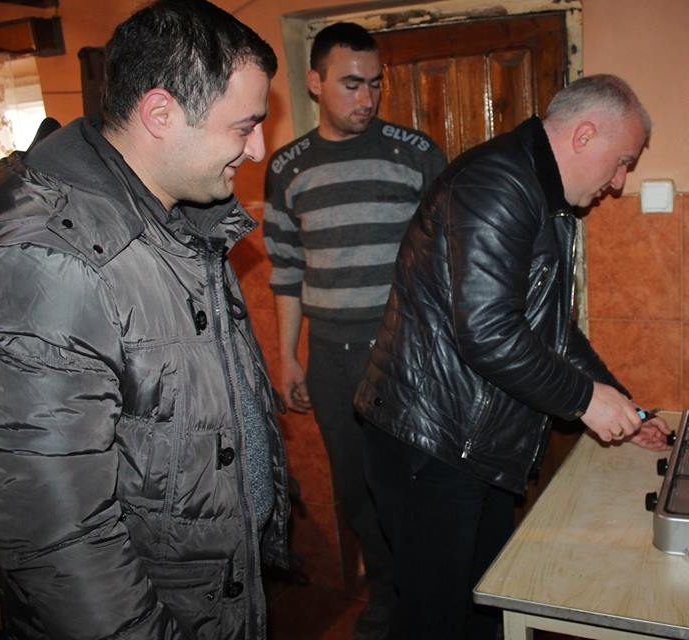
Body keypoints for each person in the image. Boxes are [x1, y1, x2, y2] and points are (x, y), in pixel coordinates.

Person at [0, 2, 289, 638]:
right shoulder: (52, 261)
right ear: (160, 114)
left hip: (212, 596)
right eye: (245, 127)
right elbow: (56, 542)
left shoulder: (179, 214)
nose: (258, 149)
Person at [353, 74, 673, 639]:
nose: (620, 182)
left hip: (471, 443)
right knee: (434, 620)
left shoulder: (540, 193)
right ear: (584, 135)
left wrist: (626, 407)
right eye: (623, 162)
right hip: (430, 443)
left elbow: (551, 331)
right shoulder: (498, 183)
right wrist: (585, 401)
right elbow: (488, 332)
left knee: (484, 610)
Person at [261, 21, 445, 640]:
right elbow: (286, 271)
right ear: (314, 83)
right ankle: (387, 596)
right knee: (356, 487)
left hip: (402, 350)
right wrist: (288, 356)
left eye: (374, 84)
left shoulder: (416, 154)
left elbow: (447, 261)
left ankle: (430, 598)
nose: (366, 98)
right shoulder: (287, 167)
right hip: (330, 355)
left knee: (413, 483)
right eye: (350, 84)